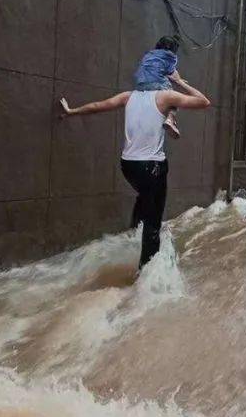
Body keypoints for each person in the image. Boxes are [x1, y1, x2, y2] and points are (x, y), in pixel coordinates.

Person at [59, 70, 211, 269]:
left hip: (128, 166)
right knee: (153, 225)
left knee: (144, 196)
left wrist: (72, 111)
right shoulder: (165, 96)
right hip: (153, 166)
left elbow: (98, 106)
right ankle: (146, 274)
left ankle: (133, 231)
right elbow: (203, 101)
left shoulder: (128, 96)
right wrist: (179, 81)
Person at [133, 35, 184, 138]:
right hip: (156, 82)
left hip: (140, 84)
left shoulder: (149, 54)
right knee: (174, 99)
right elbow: (172, 72)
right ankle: (170, 119)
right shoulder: (171, 56)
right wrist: (180, 81)